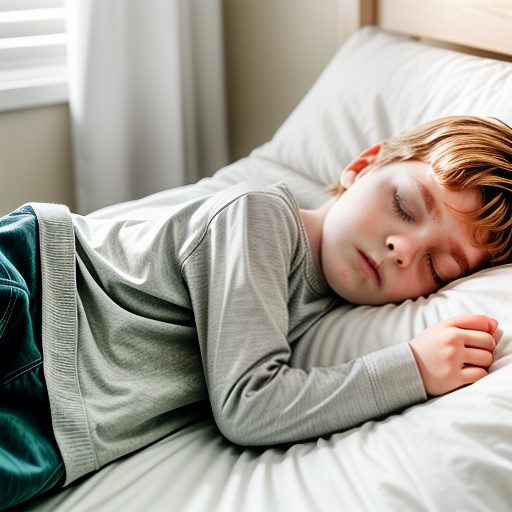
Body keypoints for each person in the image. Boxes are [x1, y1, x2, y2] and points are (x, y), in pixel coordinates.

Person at [1, 115, 511, 509]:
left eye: (438, 266)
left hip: (60, 426)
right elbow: (251, 405)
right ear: (361, 166)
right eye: (403, 204)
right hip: (35, 291)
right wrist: (414, 368)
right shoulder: (257, 215)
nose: (402, 247)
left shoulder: (317, 311)